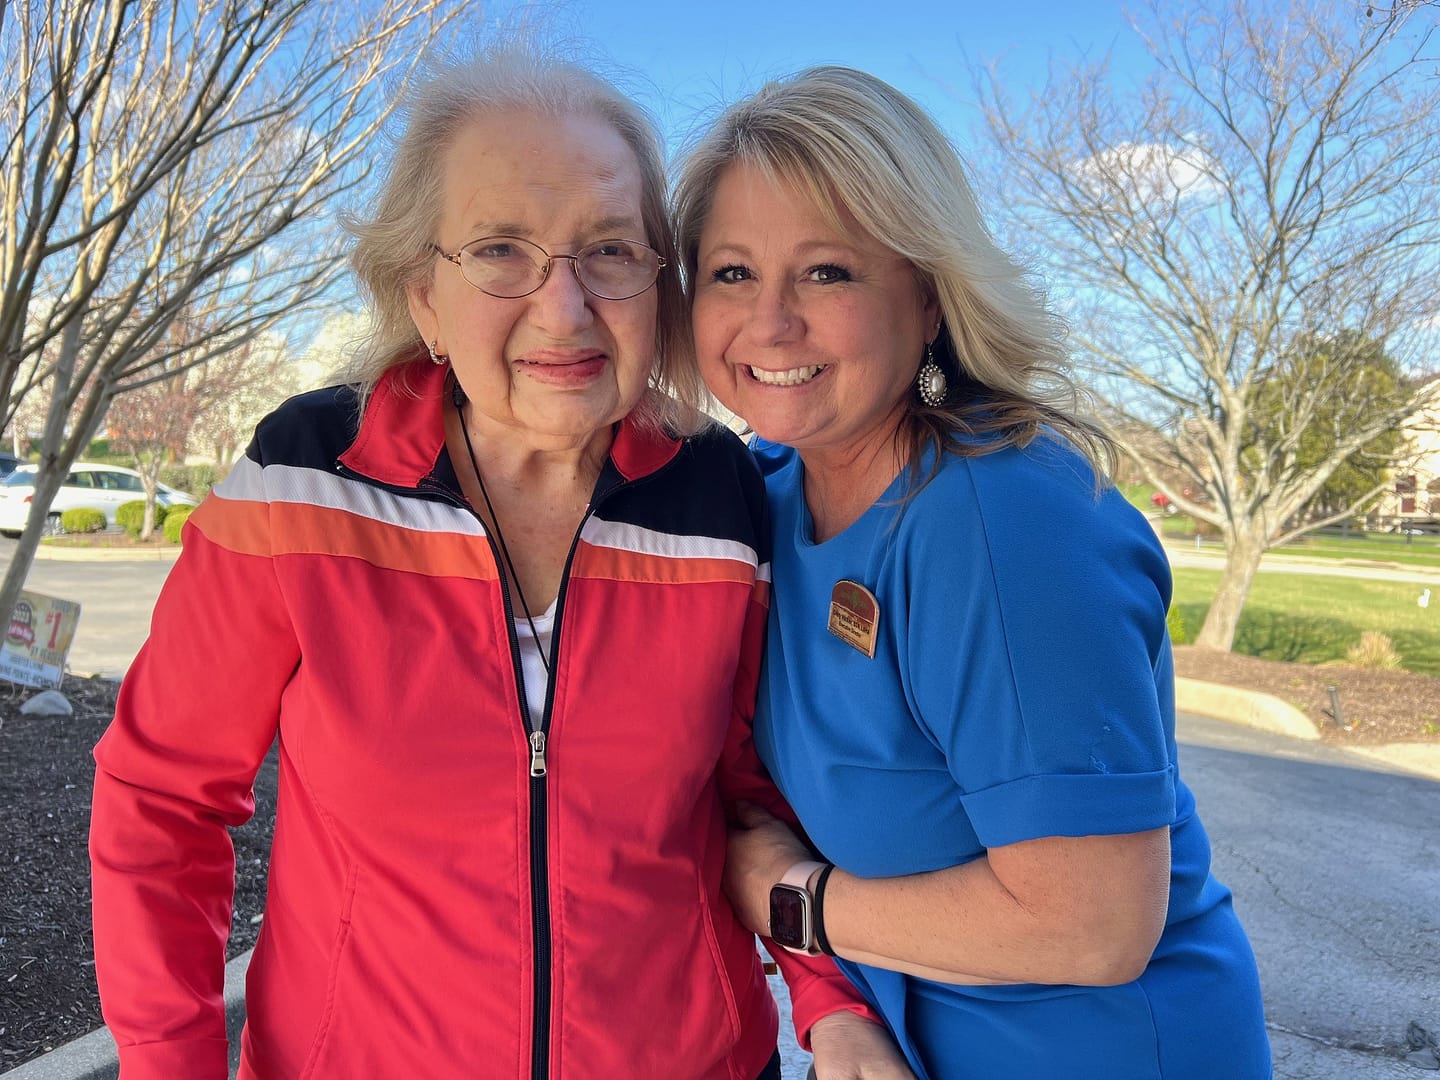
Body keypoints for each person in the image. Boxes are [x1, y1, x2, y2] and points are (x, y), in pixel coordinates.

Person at [88, 47, 910, 1080]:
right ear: (423, 293)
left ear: (660, 282)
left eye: (609, 251)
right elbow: (163, 800)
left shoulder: (724, 499)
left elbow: (770, 794)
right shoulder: (304, 480)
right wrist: (172, 1063)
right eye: (501, 251)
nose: (564, 308)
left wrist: (833, 1007)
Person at [673, 66, 1273, 1080]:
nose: (769, 324)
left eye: (827, 272)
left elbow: (1091, 929)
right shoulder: (766, 495)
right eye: (732, 272)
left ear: (931, 293)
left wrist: (794, 904)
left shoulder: (1005, 521)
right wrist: (835, 1015)